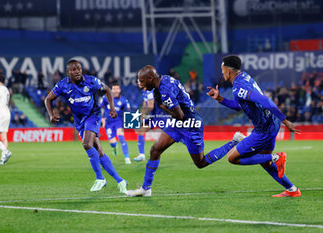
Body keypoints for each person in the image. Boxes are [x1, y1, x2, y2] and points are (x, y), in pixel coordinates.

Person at [126, 65, 245, 197]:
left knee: (201, 163)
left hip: (191, 124)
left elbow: (179, 115)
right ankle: (146, 189)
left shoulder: (165, 90)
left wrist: (162, 108)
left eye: (141, 81)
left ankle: (234, 142)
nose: (139, 84)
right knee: (155, 150)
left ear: (150, 79)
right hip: (178, 124)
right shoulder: (162, 81)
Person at [207, 55, 301, 197]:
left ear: (229, 71)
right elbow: (240, 105)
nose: (222, 73)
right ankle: (292, 190)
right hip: (271, 123)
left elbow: (264, 99)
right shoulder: (244, 77)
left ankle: (277, 157)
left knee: (232, 158)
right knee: (265, 161)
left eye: (222, 70)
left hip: (264, 130)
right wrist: (220, 99)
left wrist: (285, 120)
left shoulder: (239, 87)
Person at [45, 59, 127, 193]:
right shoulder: (62, 85)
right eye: (73, 69)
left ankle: (100, 179)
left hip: (93, 116)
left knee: (87, 144)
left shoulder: (91, 81)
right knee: (99, 151)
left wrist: (112, 108)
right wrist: (51, 114)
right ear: (68, 72)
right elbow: (48, 99)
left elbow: (107, 90)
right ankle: (121, 181)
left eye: (79, 68)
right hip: (79, 121)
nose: (77, 71)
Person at [100, 83, 132, 164]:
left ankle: (127, 158)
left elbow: (128, 111)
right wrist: (102, 118)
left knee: (121, 137)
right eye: (114, 89)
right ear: (111, 90)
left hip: (118, 122)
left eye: (117, 89)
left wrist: (131, 121)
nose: (115, 90)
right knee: (113, 143)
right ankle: (114, 147)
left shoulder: (124, 100)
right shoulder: (105, 98)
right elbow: (100, 108)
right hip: (108, 123)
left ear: (120, 90)